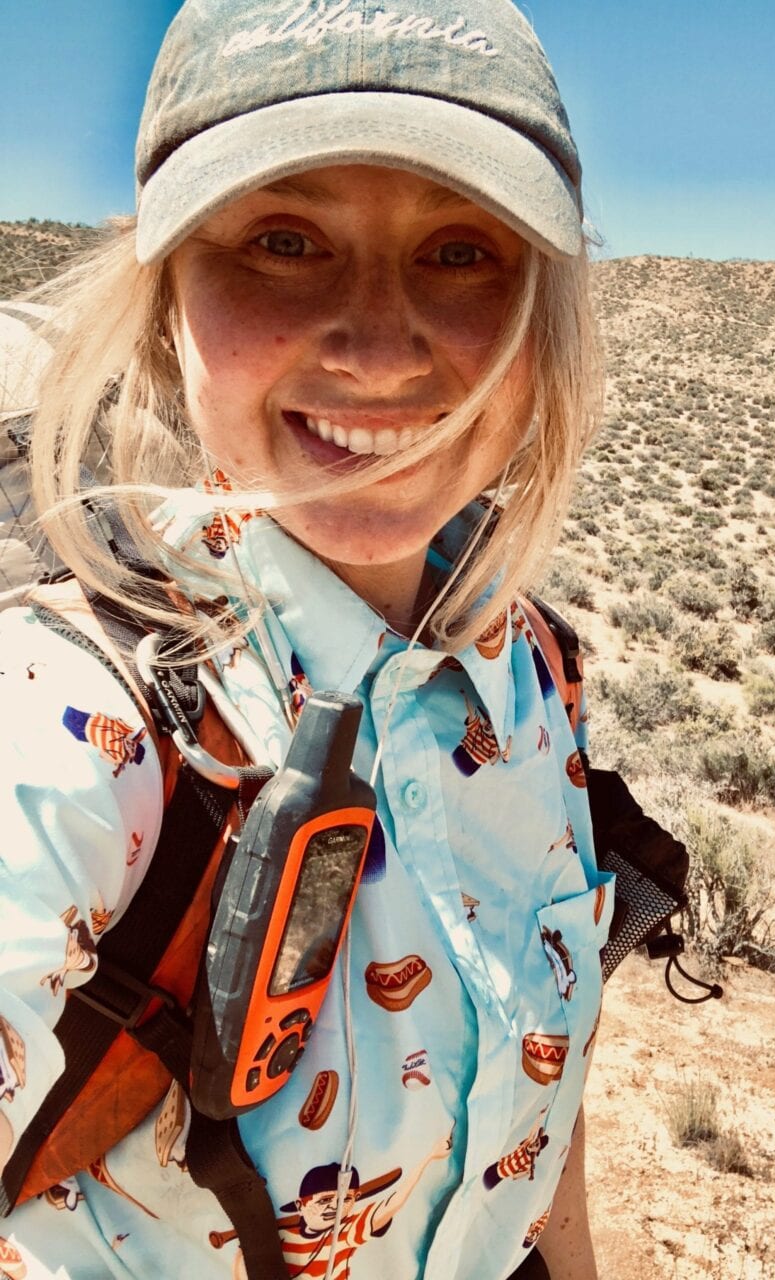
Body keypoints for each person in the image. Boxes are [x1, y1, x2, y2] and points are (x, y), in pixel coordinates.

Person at [0, 1, 609, 1277]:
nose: (379, 345)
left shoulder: (531, 670)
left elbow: (541, 1117)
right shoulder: (66, 735)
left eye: (460, 250)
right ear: (165, 290)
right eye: (284, 238)